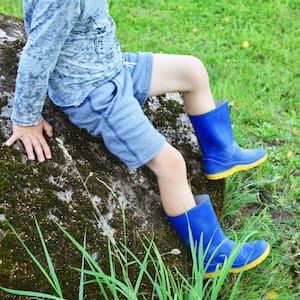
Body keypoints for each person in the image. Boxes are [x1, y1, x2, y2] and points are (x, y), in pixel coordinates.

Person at [5, 0, 270, 278]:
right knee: (171, 165)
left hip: (114, 68)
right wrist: (25, 118)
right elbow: (37, 55)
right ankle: (212, 255)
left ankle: (221, 154)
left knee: (192, 70)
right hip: (96, 94)